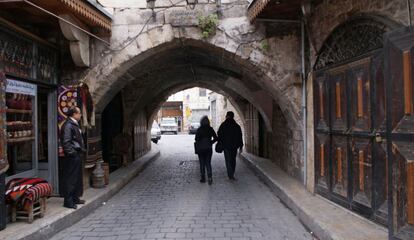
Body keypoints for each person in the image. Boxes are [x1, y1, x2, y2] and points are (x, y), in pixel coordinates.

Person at [60, 107, 86, 209]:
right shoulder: (68, 125)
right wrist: (73, 154)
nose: (81, 115)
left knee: (76, 177)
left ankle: (75, 198)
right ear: (74, 114)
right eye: (79, 113)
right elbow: (66, 142)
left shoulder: (73, 124)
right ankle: (68, 201)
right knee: (71, 178)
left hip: (76, 155)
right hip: (72, 156)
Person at [217, 111, 243, 181]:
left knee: (228, 161)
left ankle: (230, 175)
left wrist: (221, 142)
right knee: (233, 160)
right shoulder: (237, 126)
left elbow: (219, 134)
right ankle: (232, 173)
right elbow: (240, 136)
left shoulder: (223, 125)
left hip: (226, 146)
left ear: (227, 116)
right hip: (234, 146)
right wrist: (241, 146)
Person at [195, 116, 218, 185]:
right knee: (208, 162)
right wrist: (211, 142)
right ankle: (210, 177)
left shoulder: (199, 129)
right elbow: (216, 138)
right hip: (208, 148)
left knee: (202, 163)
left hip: (201, 148)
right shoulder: (210, 129)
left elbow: (196, 139)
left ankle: (203, 178)